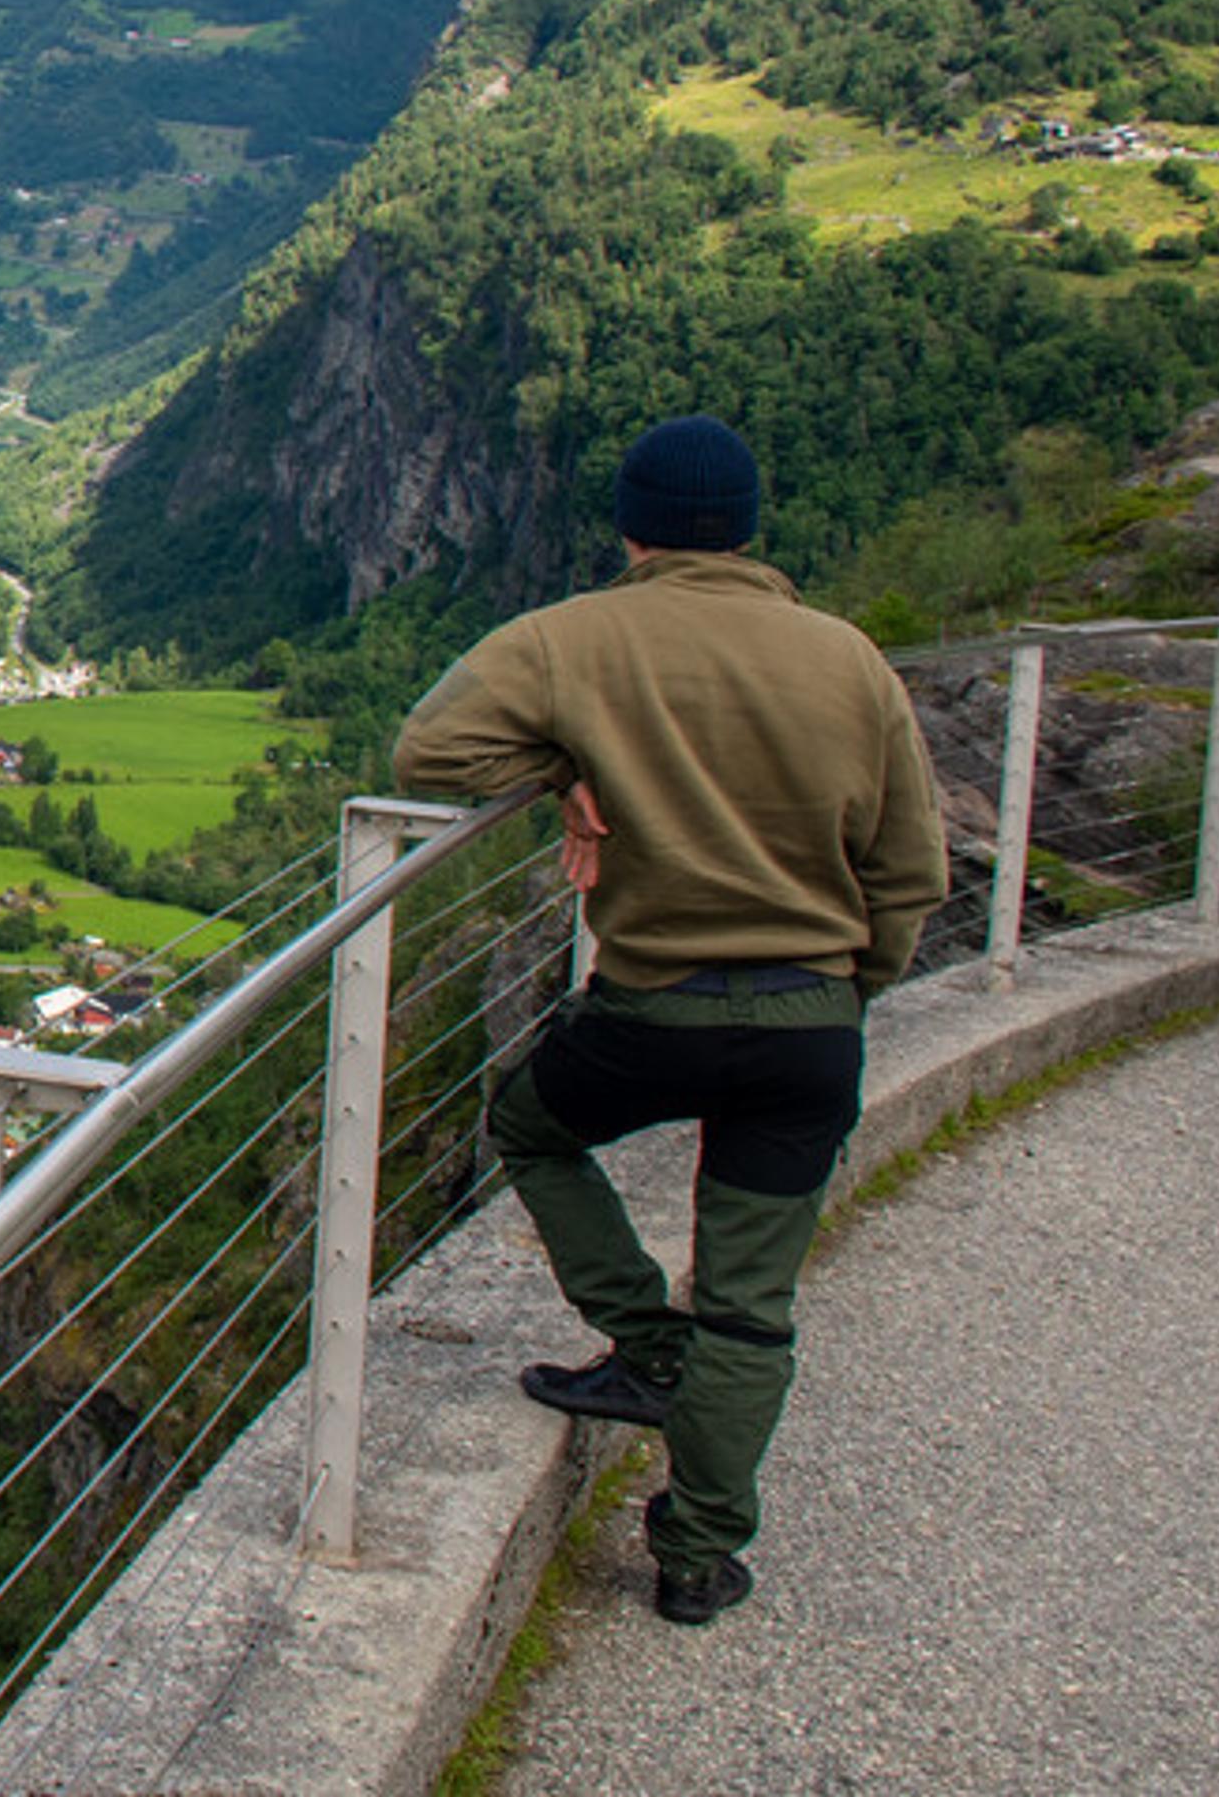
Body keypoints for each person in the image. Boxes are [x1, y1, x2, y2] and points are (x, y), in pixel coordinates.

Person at [393, 413, 946, 1626]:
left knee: (531, 1124)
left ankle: (646, 1345)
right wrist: (855, 986)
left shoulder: (573, 640)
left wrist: (563, 772)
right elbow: (910, 870)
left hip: (650, 1010)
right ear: (751, 527)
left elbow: (431, 744)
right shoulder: (850, 658)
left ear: (633, 528)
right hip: (811, 1025)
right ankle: (697, 1557)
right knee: (754, 1306)